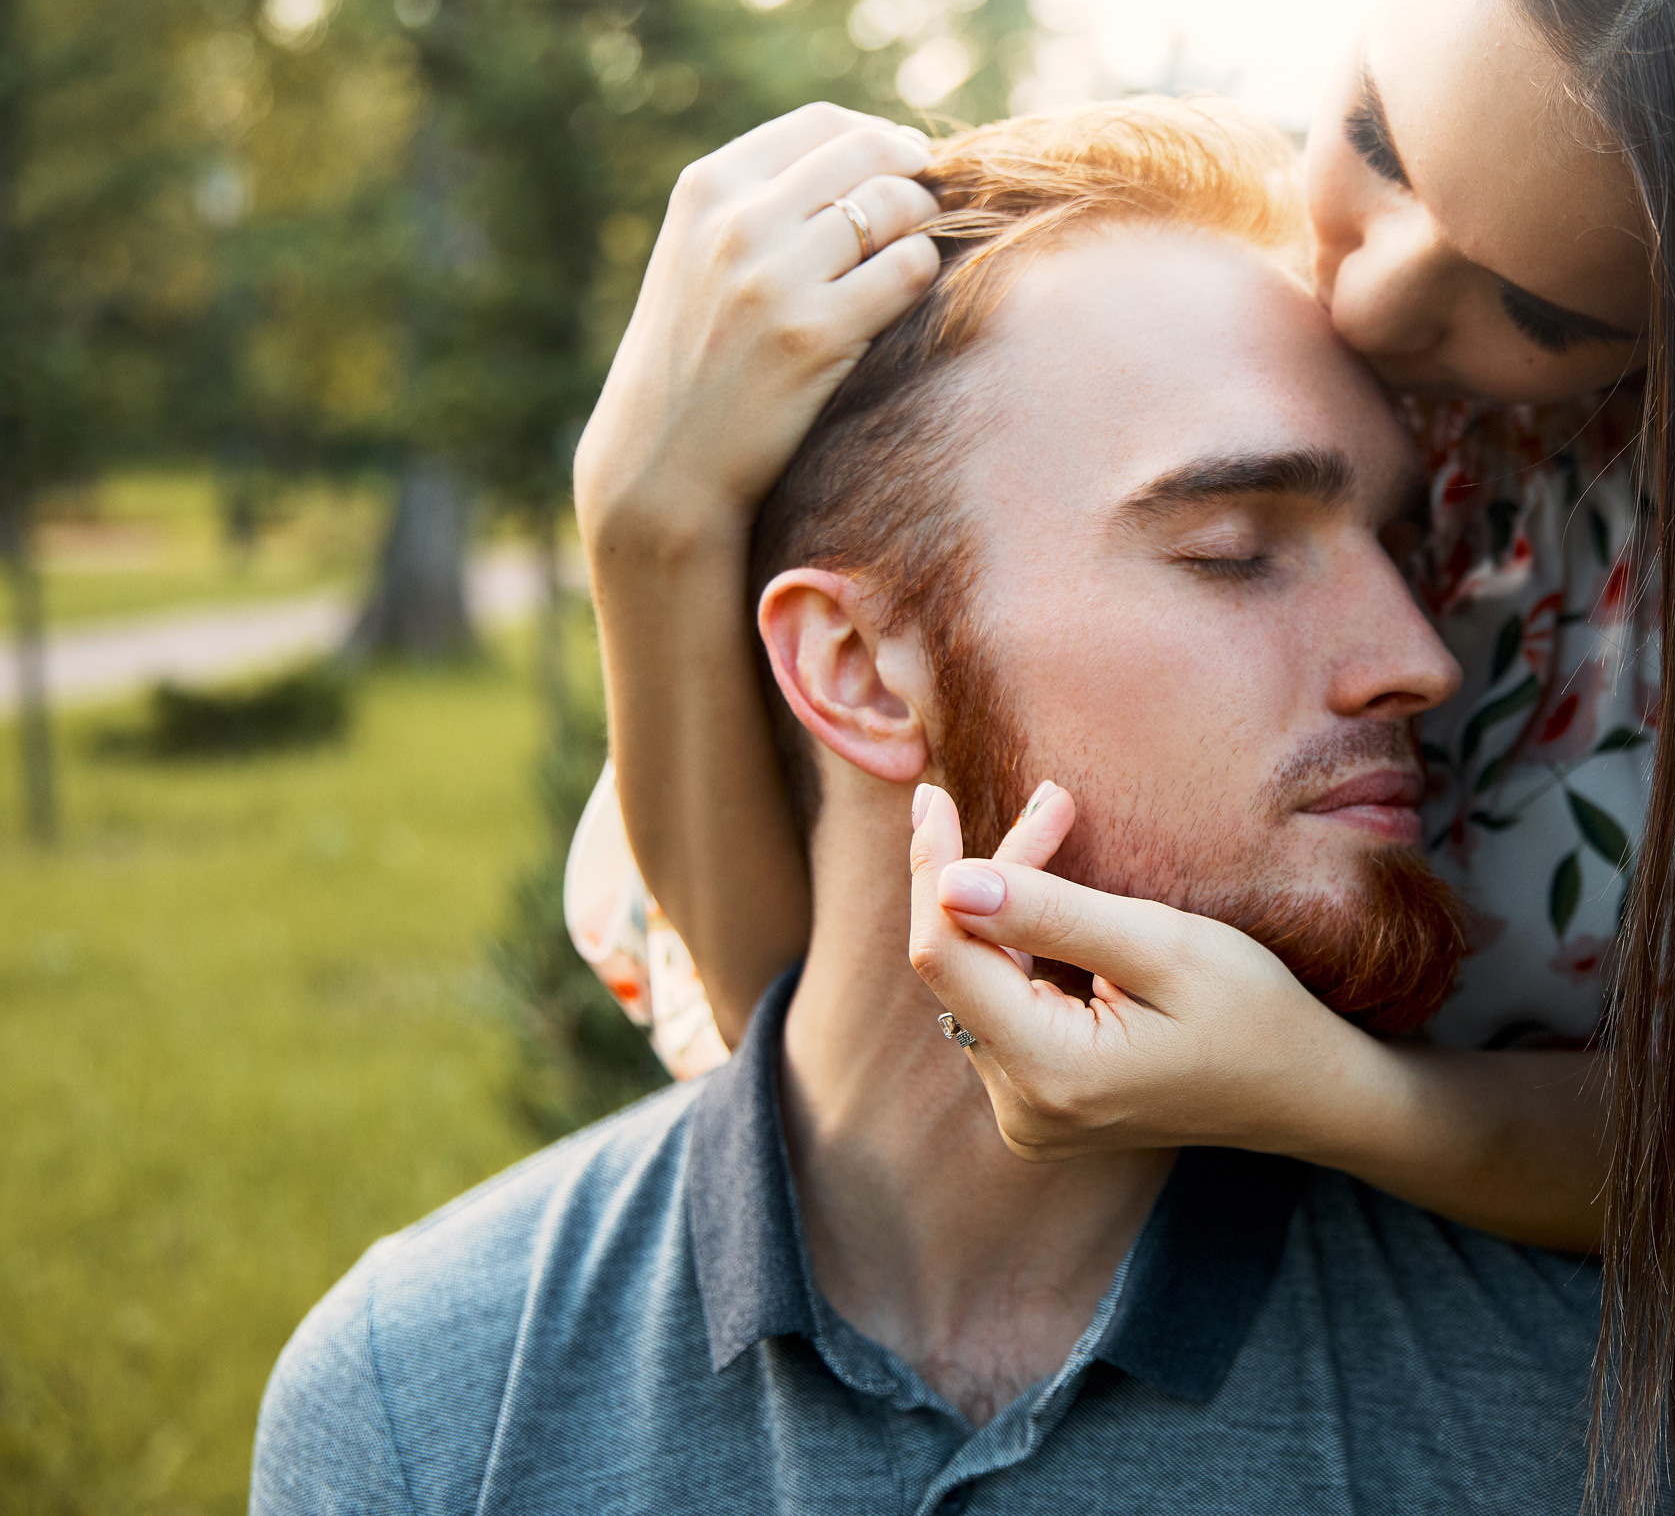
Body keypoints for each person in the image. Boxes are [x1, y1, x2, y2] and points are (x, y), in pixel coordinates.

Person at [572, 0, 1675, 1510]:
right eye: (1379, 138)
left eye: (1542, 315)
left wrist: (1345, 1102)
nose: (1377, 308)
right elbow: (787, 1005)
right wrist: (647, 527)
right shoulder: (1194, 312)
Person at [251, 102, 1600, 1514]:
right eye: (1237, 549)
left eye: (1399, 545)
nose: (1419, 661)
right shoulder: (426, 1416)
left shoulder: (1577, 1405)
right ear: (858, 674)